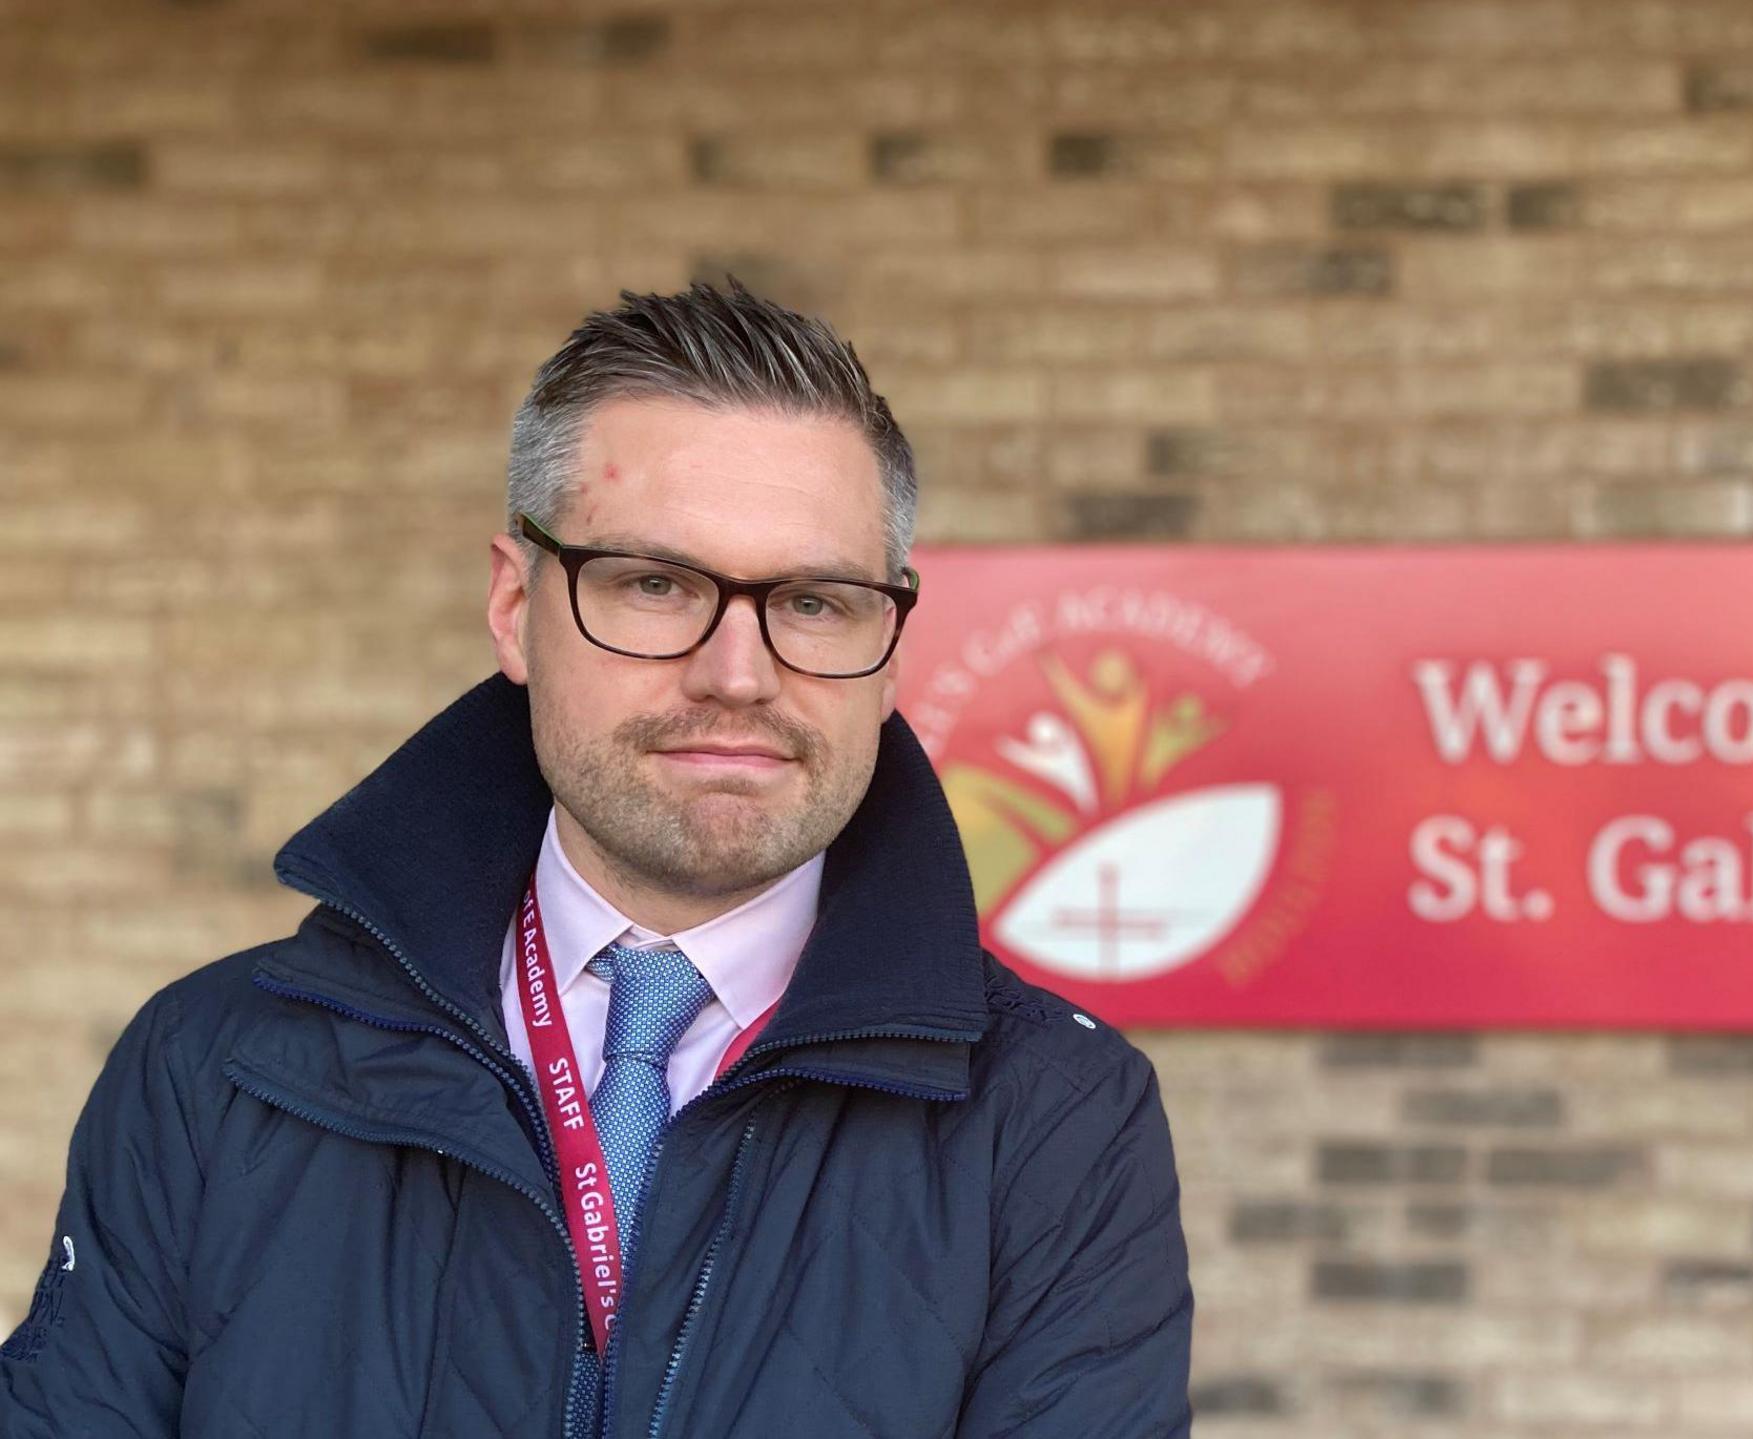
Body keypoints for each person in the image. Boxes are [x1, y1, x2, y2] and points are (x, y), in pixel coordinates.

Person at [0, 278, 1194, 1436]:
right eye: (655, 584)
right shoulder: (214, 1067)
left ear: (890, 644)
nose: (739, 672)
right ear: (515, 606)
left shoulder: (1057, 1124)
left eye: (818, 602)